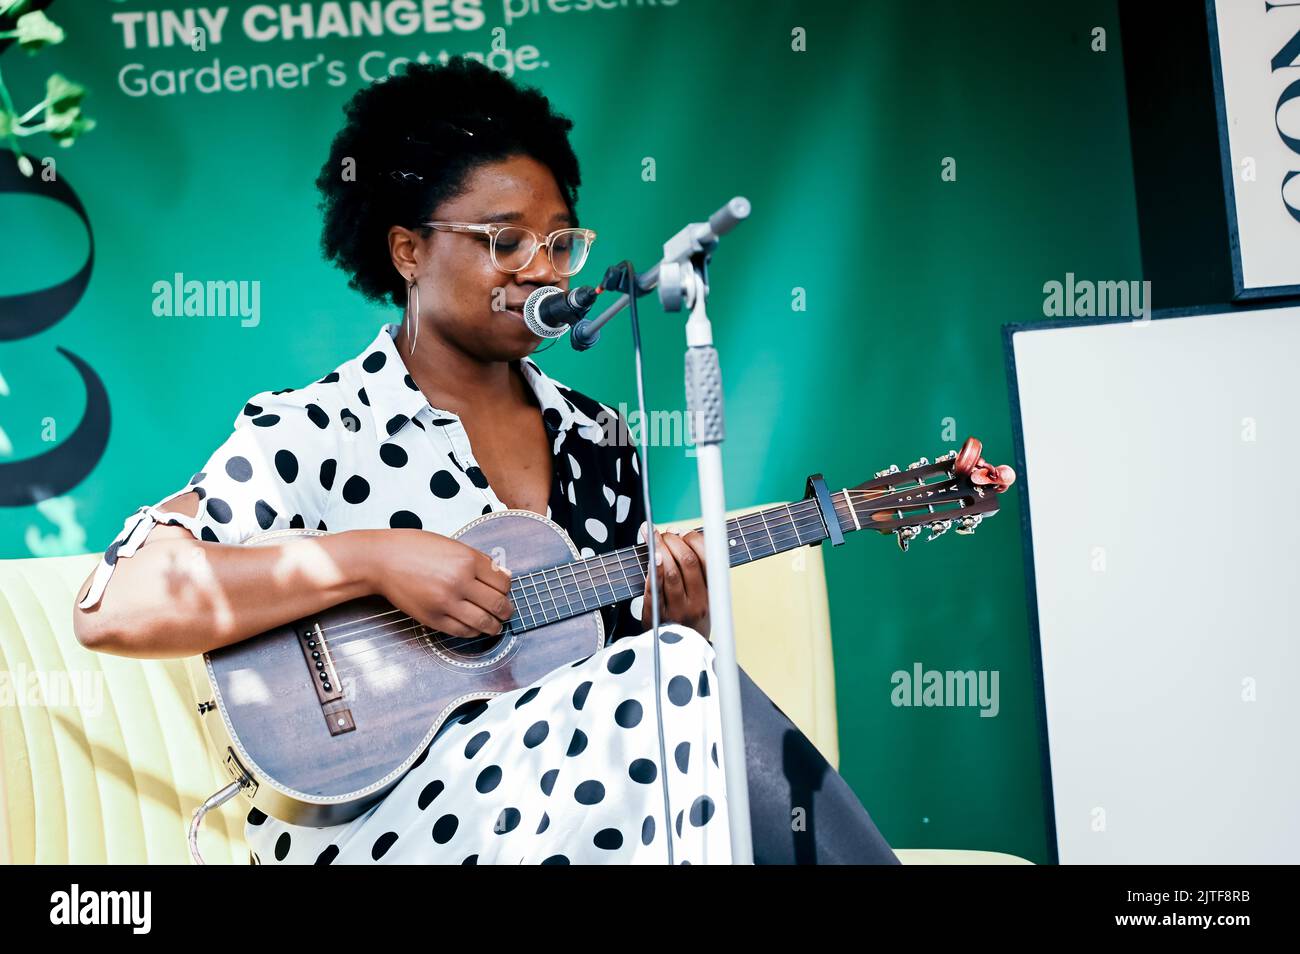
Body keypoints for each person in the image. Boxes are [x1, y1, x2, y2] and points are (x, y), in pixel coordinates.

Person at [72, 56, 898, 865]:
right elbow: (115, 606)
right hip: (371, 828)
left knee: (678, 665)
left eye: (560, 243)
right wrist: (370, 558)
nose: (540, 269)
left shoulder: (596, 438)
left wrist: (674, 623)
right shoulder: (318, 428)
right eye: (504, 242)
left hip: (561, 814)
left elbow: (606, 681)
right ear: (407, 252)